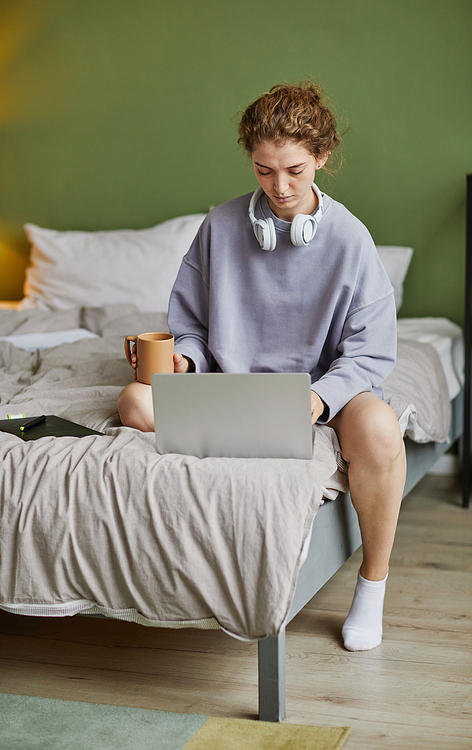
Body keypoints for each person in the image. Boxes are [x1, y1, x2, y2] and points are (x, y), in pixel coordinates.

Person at [117, 83, 406, 652]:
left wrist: (320, 399)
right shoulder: (220, 227)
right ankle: (246, 434)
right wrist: (186, 358)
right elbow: (192, 325)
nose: (279, 187)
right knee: (133, 402)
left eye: (295, 170)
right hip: (236, 389)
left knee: (379, 430)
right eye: (264, 171)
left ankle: (372, 587)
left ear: (322, 157)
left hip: (326, 394)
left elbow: (371, 353)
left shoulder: (351, 239)